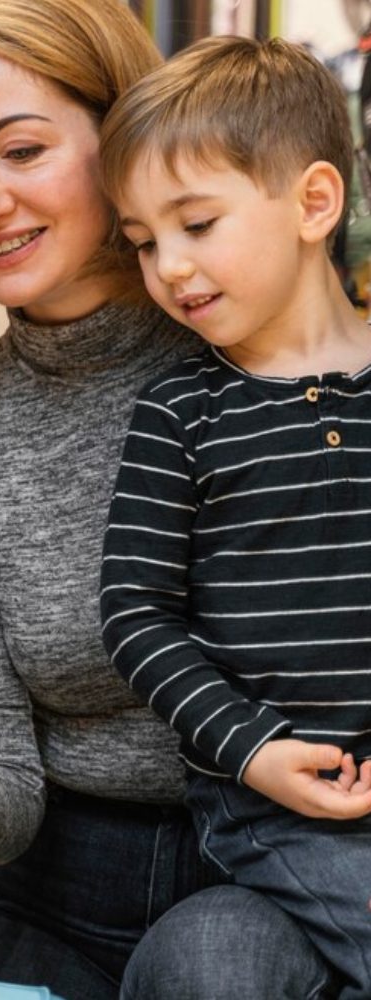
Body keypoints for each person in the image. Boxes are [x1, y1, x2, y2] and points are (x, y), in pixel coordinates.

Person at [0, 2, 338, 998]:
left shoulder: (276, 363)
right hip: (55, 886)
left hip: (273, 873)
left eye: (20, 150)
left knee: (209, 974)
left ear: (122, 137)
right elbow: (0, 799)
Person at [98, 35, 371, 998]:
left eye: (197, 223)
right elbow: (135, 610)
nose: (169, 266)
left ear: (313, 203)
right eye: (141, 241)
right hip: (273, 807)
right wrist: (251, 750)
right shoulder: (182, 412)